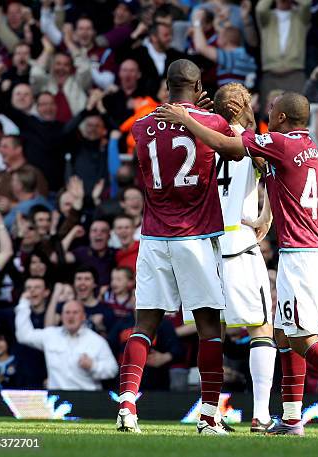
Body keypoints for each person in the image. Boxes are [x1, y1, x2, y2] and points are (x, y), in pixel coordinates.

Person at [155, 92, 318, 437]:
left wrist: (190, 119)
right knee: (282, 335)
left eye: (271, 109)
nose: (266, 111)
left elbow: (233, 146)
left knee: (304, 339)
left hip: (301, 252)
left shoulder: (279, 143)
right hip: (303, 249)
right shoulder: (305, 145)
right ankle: (292, 420)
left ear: (280, 118)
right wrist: (266, 214)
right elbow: (258, 157)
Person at [117, 59, 238, 435]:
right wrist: (203, 114)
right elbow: (234, 147)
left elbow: (158, 134)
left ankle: (127, 406)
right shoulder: (211, 123)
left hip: (153, 237)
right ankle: (207, 417)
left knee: (144, 325)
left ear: (166, 85)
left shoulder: (141, 125)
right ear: (198, 84)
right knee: (208, 327)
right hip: (195, 236)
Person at [206, 82, 276, 432]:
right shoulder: (253, 142)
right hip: (239, 242)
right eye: (246, 99)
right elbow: (278, 180)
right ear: (241, 104)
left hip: (204, 247)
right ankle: (261, 414)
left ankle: (212, 414)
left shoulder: (199, 139)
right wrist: (266, 215)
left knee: (211, 331)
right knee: (261, 326)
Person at [15, 298, 118, 390]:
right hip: (57, 400)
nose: (70, 316)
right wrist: (24, 303)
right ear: (61, 316)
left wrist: (93, 366)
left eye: (75, 312)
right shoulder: (50, 335)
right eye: (67, 312)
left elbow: (112, 370)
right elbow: (24, 335)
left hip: (87, 400)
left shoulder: (97, 341)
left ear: (83, 317)